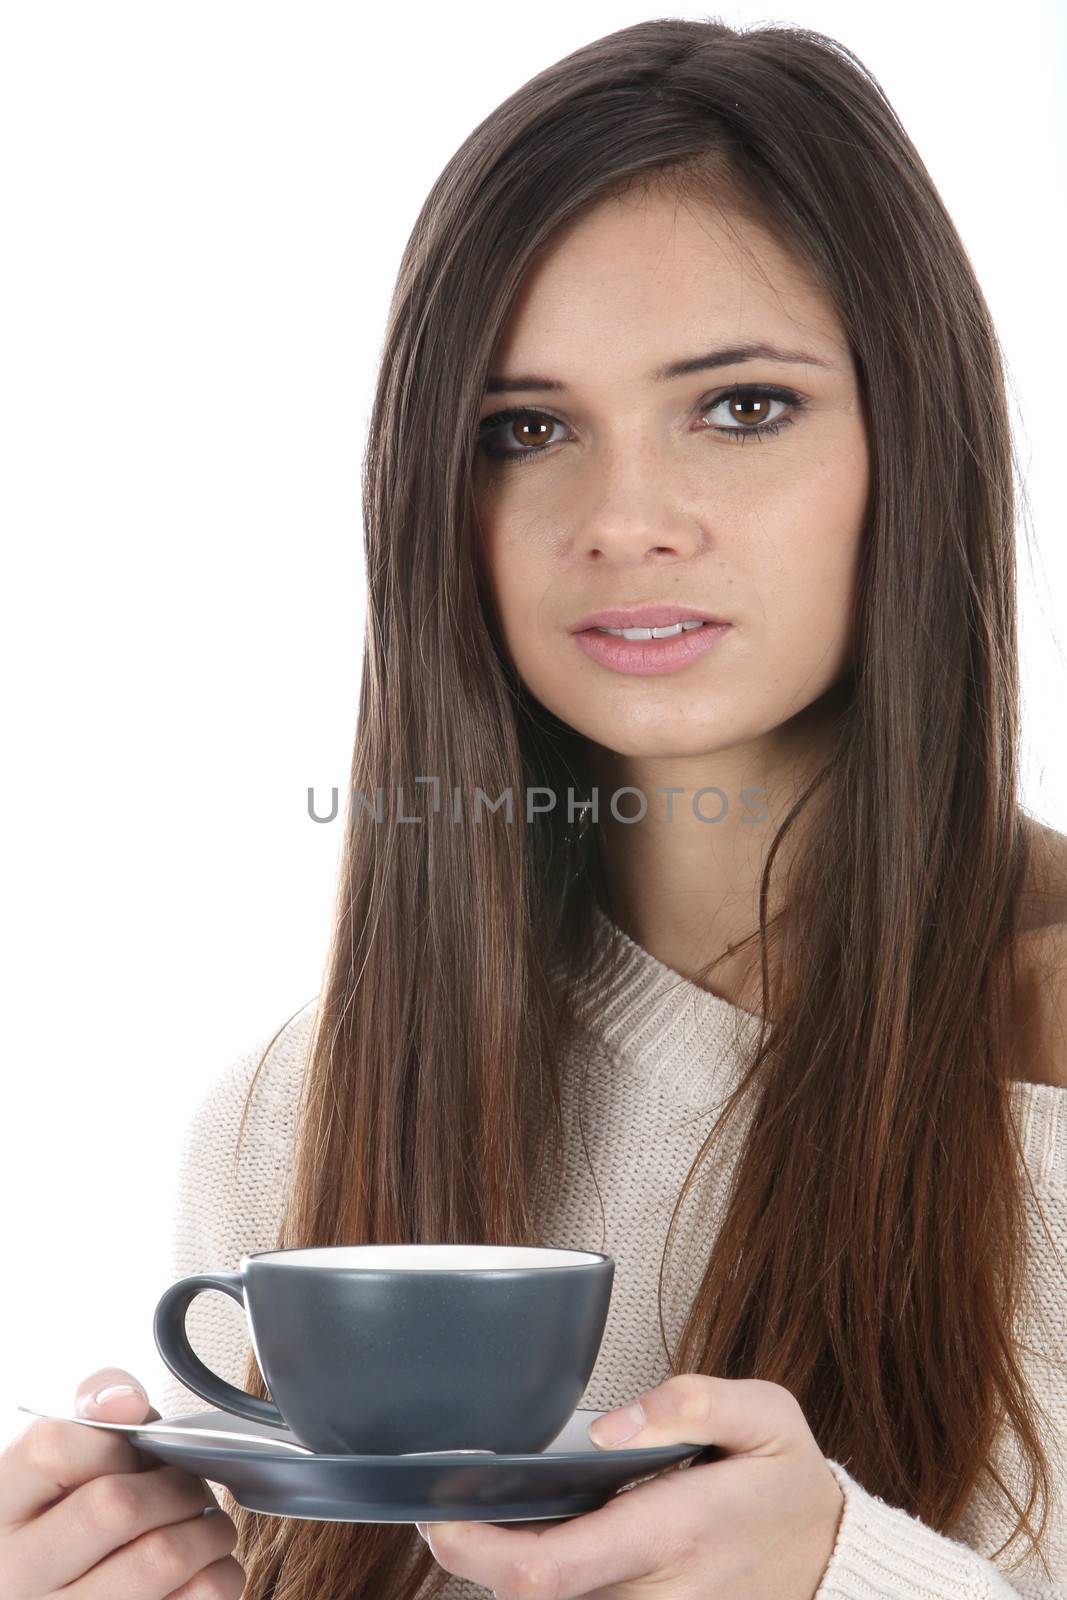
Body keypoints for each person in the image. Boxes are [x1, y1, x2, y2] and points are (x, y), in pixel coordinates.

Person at [4, 16, 1065, 1600]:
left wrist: (849, 1576)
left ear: (913, 442)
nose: (626, 521)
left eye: (743, 406)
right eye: (526, 431)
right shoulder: (293, 1121)